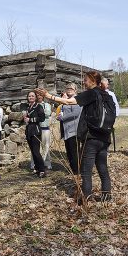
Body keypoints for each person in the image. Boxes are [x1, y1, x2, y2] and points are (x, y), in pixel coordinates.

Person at [36, 71, 113, 204]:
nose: (84, 82)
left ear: (93, 81)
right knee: (102, 168)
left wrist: (48, 95)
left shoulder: (92, 93)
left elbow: (68, 101)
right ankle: (106, 196)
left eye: (86, 80)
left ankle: (86, 199)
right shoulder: (106, 95)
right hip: (105, 137)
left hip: (91, 137)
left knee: (86, 171)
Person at [56, 83, 81, 175]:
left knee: (74, 152)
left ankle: (77, 171)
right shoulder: (66, 100)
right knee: (69, 151)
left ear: (75, 90)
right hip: (66, 130)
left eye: (71, 88)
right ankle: (73, 170)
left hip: (73, 130)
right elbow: (61, 111)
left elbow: (75, 113)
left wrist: (63, 117)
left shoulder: (76, 100)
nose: (69, 89)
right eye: (67, 88)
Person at [24, 91, 46, 178]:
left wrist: (30, 119)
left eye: (33, 96)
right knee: (33, 152)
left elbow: (42, 118)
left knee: (36, 152)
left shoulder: (38, 106)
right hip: (29, 131)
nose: (31, 97)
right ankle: (37, 169)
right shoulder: (28, 107)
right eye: (29, 96)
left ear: (35, 97)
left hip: (36, 131)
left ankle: (42, 170)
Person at [30, 93, 52, 172]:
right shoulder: (33, 105)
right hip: (36, 128)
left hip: (45, 127)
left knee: (46, 146)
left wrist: (37, 114)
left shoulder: (46, 105)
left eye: (41, 95)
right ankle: (34, 164)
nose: (39, 97)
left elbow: (47, 113)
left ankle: (46, 163)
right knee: (35, 148)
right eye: (38, 95)